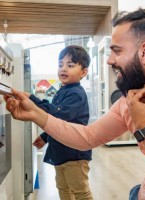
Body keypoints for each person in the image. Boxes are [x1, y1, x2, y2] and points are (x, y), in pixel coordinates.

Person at [4, 8, 145, 200]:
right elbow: (89, 137)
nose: (109, 60)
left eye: (117, 51)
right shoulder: (129, 100)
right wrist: (35, 114)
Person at [28, 45, 93, 200]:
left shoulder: (77, 94)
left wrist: (33, 101)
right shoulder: (62, 90)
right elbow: (57, 123)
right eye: (60, 64)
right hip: (60, 152)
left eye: (70, 65)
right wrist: (45, 137)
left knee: (80, 191)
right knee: (63, 187)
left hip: (74, 154)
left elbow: (59, 114)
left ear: (83, 72)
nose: (64, 69)